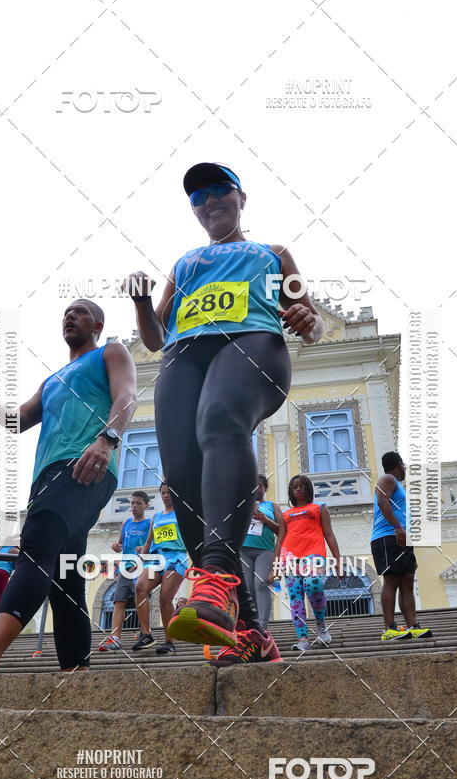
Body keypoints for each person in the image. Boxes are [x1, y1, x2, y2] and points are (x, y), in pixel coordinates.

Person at [125, 162, 324, 666]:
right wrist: (143, 303)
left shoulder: (272, 253)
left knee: (219, 418)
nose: (209, 201)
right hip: (184, 356)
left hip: (252, 343)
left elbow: (314, 322)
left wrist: (305, 318)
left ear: (241, 197)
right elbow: (154, 338)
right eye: (198, 197)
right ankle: (251, 632)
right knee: (185, 481)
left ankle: (213, 576)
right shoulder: (185, 263)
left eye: (219, 191)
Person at [0, 299, 137, 676]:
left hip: (85, 464)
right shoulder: (54, 379)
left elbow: (127, 397)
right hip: (47, 476)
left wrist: (106, 440)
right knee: (65, 577)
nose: (69, 315)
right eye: (65, 312)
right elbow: (18, 420)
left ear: (98, 323)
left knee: (38, 545)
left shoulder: (111, 351)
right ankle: (77, 673)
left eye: (79, 310)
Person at [271, 475, 337, 651]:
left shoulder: (319, 508)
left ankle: (321, 625)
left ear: (308, 488)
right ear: (291, 492)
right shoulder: (286, 514)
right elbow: (281, 539)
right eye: (294, 487)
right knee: (296, 598)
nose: (298, 489)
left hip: (313, 554)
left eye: (301, 486)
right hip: (289, 557)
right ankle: (303, 638)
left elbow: (329, 534)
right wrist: (275, 566)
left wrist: (337, 560)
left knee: (313, 583)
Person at [371, 451, 432, 641]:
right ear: (398, 464)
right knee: (392, 580)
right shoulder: (388, 479)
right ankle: (389, 628)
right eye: (404, 465)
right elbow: (382, 501)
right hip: (387, 536)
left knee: (407, 580)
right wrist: (397, 527)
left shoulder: (397, 485)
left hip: (402, 538)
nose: (405, 469)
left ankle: (413, 625)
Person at [132, 482, 189, 655]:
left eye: (169, 492)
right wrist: (142, 558)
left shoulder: (184, 513)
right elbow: (149, 541)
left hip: (177, 557)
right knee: (140, 587)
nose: (165, 496)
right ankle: (146, 634)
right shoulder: (156, 518)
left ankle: (169, 641)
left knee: (165, 598)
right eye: (163, 493)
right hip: (156, 558)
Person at [98, 491, 151, 651]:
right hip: (124, 568)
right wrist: (116, 546)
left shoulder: (150, 523)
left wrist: (144, 551)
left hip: (141, 568)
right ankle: (115, 638)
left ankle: (145, 634)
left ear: (146, 505)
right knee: (118, 601)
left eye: (138, 503)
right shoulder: (126, 523)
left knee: (140, 600)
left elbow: (153, 545)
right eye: (133, 503)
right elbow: (120, 544)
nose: (134, 506)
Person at [240, 474, 282, 630]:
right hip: (243, 551)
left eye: (259, 485)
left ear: (265, 488)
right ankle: (252, 624)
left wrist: (265, 519)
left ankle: (263, 626)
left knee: (260, 584)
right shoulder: (241, 504)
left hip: (264, 550)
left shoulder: (272, 506)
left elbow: (282, 531)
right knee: (248, 588)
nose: (255, 488)